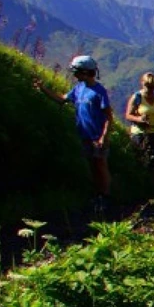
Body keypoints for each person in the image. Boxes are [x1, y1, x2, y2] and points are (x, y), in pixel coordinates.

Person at [37, 55, 113, 210]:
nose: (74, 75)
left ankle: (105, 196)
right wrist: (43, 89)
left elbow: (108, 116)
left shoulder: (99, 91)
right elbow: (62, 99)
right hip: (85, 136)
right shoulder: (78, 89)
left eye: (76, 72)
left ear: (85, 72)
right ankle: (97, 194)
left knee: (100, 165)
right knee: (92, 166)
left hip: (97, 136)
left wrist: (104, 137)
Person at [125, 72, 154, 170]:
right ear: (142, 83)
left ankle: (153, 184)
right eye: (148, 86)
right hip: (139, 133)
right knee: (139, 161)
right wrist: (139, 119)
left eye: (153, 87)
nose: (150, 89)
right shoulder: (137, 97)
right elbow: (128, 115)